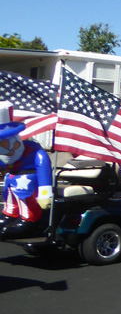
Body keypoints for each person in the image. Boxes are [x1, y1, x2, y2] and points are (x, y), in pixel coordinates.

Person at [0, 102, 54, 240]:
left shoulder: (35, 152)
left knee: (26, 200)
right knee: (10, 199)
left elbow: (43, 169)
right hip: (11, 178)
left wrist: (45, 193)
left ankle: (28, 222)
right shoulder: (6, 156)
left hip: (27, 180)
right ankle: (8, 217)